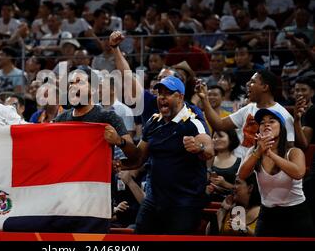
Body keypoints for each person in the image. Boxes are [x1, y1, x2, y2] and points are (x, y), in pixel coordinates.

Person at [108, 75, 214, 234]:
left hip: (184, 202)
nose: (162, 98)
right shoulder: (153, 122)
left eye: (167, 94)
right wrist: (120, 149)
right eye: (159, 94)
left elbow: (209, 151)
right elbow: (138, 158)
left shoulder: (193, 121)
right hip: (154, 199)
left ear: (180, 97)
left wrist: (199, 147)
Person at [238, 109, 314, 237]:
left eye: (272, 121)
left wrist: (270, 154)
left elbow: (299, 173)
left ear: (282, 128)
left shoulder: (294, 151)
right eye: (262, 123)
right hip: (267, 214)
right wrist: (258, 152)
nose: (266, 124)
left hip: (296, 214)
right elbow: (242, 175)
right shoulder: (254, 152)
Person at [197, 70, 295, 159]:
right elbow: (219, 124)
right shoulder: (248, 108)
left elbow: (289, 147)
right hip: (240, 165)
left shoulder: (284, 115)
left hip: (263, 169)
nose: (248, 84)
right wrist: (204, 99)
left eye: (252, 82)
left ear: (265, 87)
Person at [207, 129, 241, 202]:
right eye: (214, 137)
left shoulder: (241, 163)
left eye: (220, 136)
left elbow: (244, 189)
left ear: (231, 139)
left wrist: (225, 184)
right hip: (207, 206)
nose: (216, 139)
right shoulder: (207, 161)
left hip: (232, 207)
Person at [294, 76, 315, 149]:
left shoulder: (312, 111)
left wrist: (296, 120)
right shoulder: (297, 111)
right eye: (297, 90)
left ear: (312, 92)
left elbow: (303, 145)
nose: (299, 93)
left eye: (303, 90)